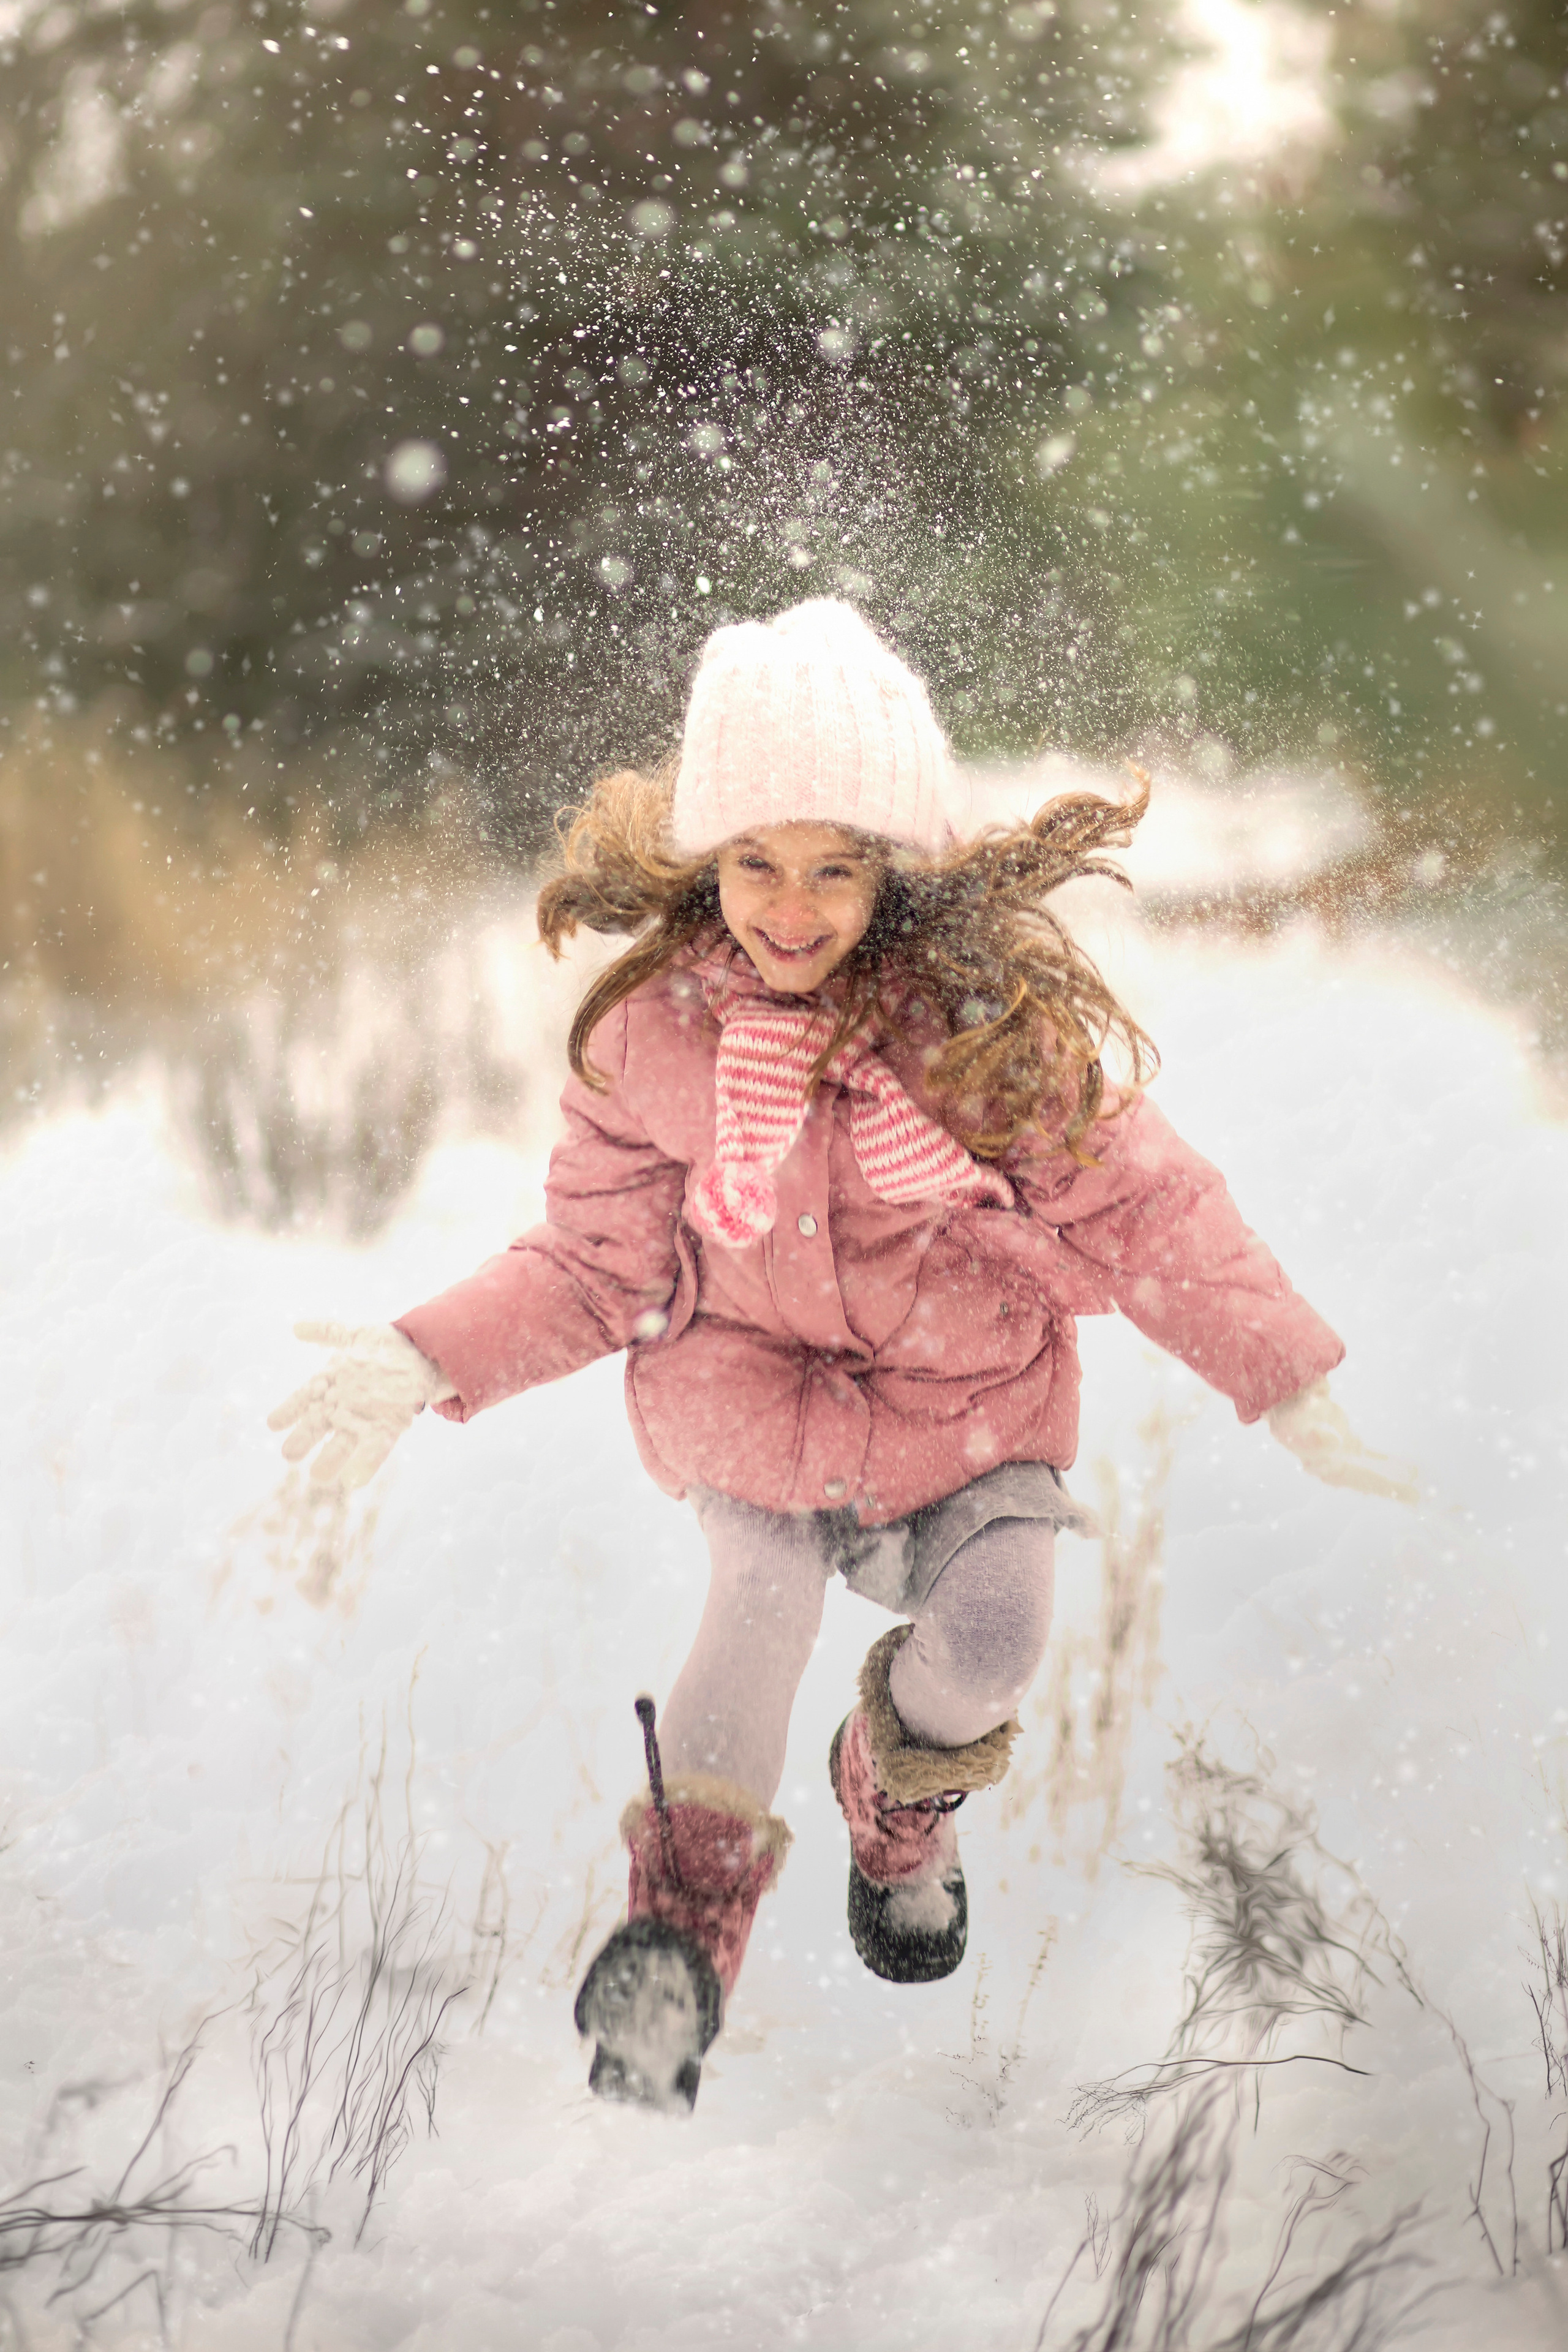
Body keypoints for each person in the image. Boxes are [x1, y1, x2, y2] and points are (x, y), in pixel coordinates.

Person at [268, 599, 1411, 2113]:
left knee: (993, 1640)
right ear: (705, 862)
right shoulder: (652, 1040)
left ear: (895, 868)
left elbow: (1145, 1203)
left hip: (965, 1403)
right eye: (752, 862)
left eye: (831, 868)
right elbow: (590, 1266)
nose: (787, 908)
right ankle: (670, 1963)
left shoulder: (980, 1033)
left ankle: (896, 1811)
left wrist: (1287, 1378)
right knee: (756, 1596)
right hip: (741, 1394)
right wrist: (428, 1357)